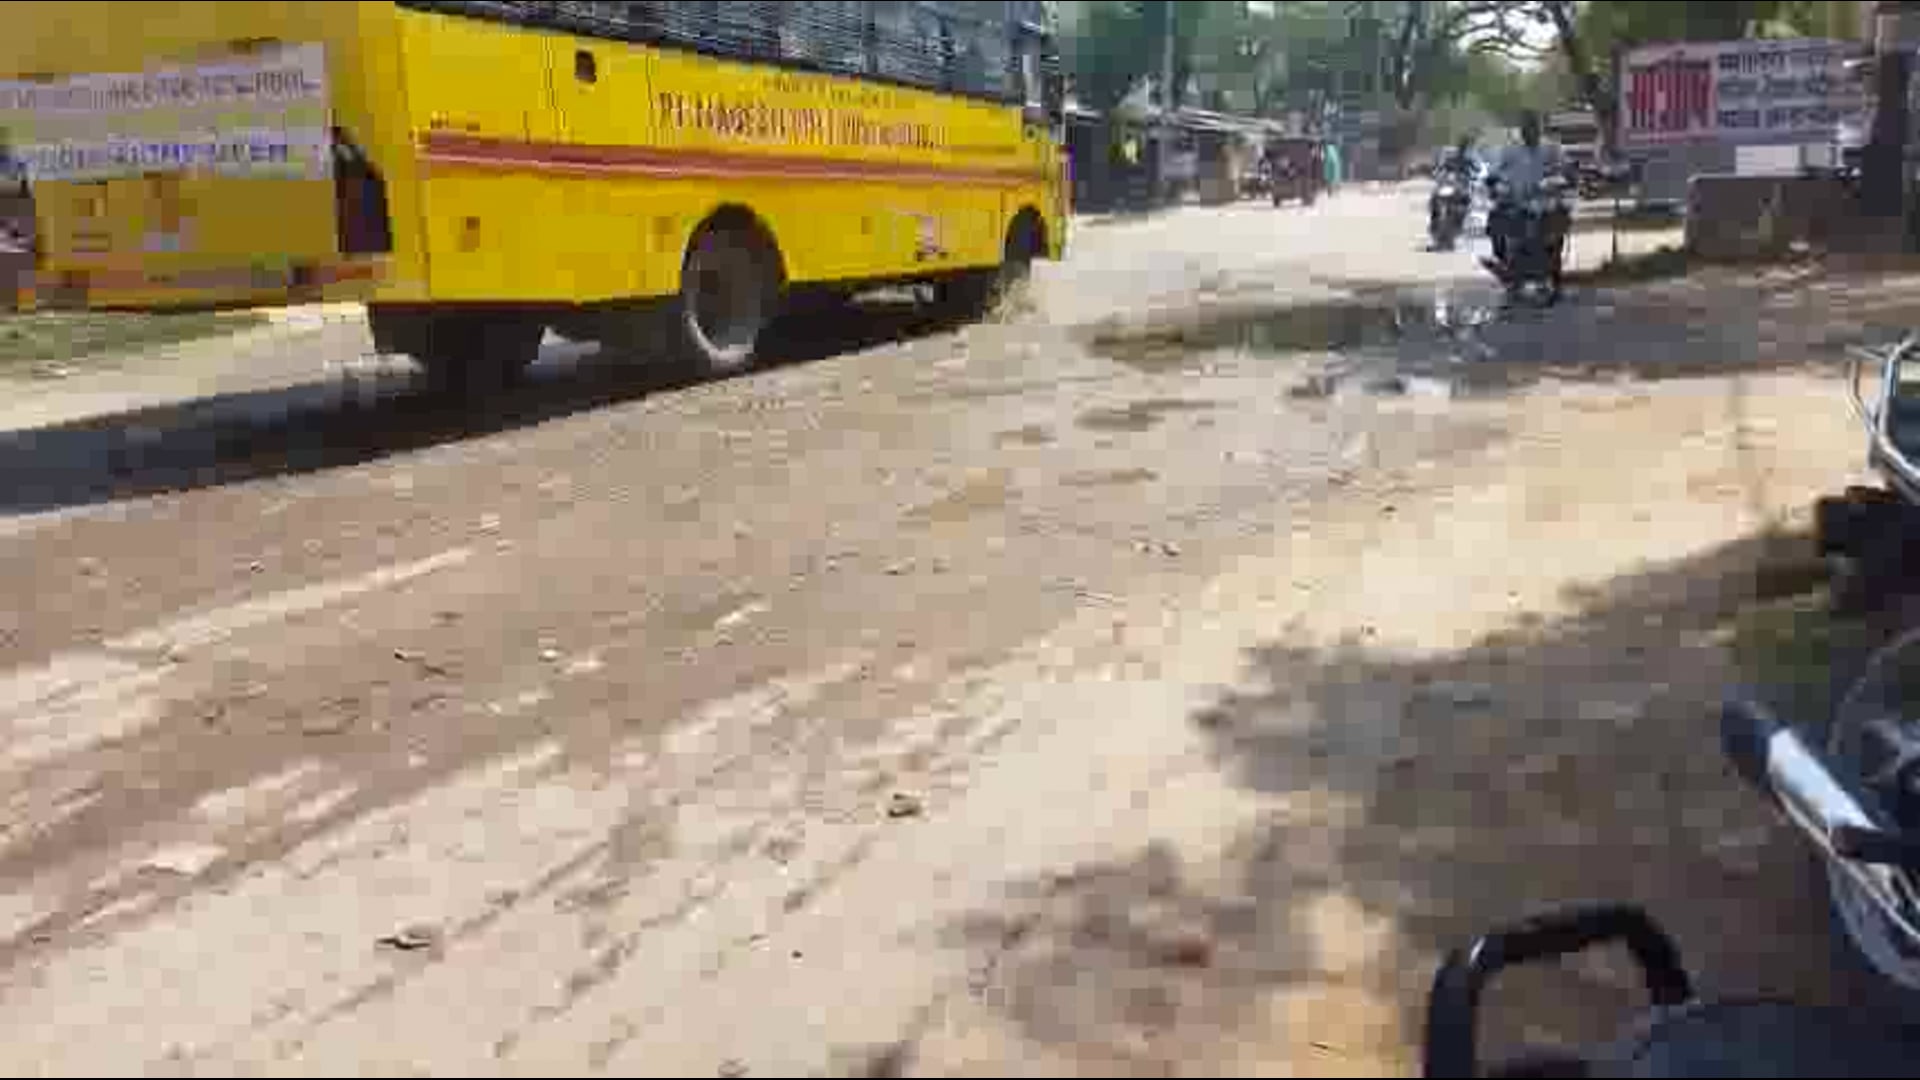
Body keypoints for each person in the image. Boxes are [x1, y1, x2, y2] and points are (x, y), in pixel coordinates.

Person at [1485, 111, 1564, 268]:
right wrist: (1496, 184)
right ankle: (1502, 258)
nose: (1530, 131)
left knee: (1559, 217)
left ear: (1540, 128)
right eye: (1526, 127)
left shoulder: (1551, 149)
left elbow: (1564, 170)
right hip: (1515, 200)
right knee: (1495, 217)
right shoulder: (1510, 150)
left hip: (1544, 201)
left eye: (1533, 126)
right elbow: (1494, 172)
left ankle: (1554, 260)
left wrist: (1555, 181)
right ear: (1521, 130)